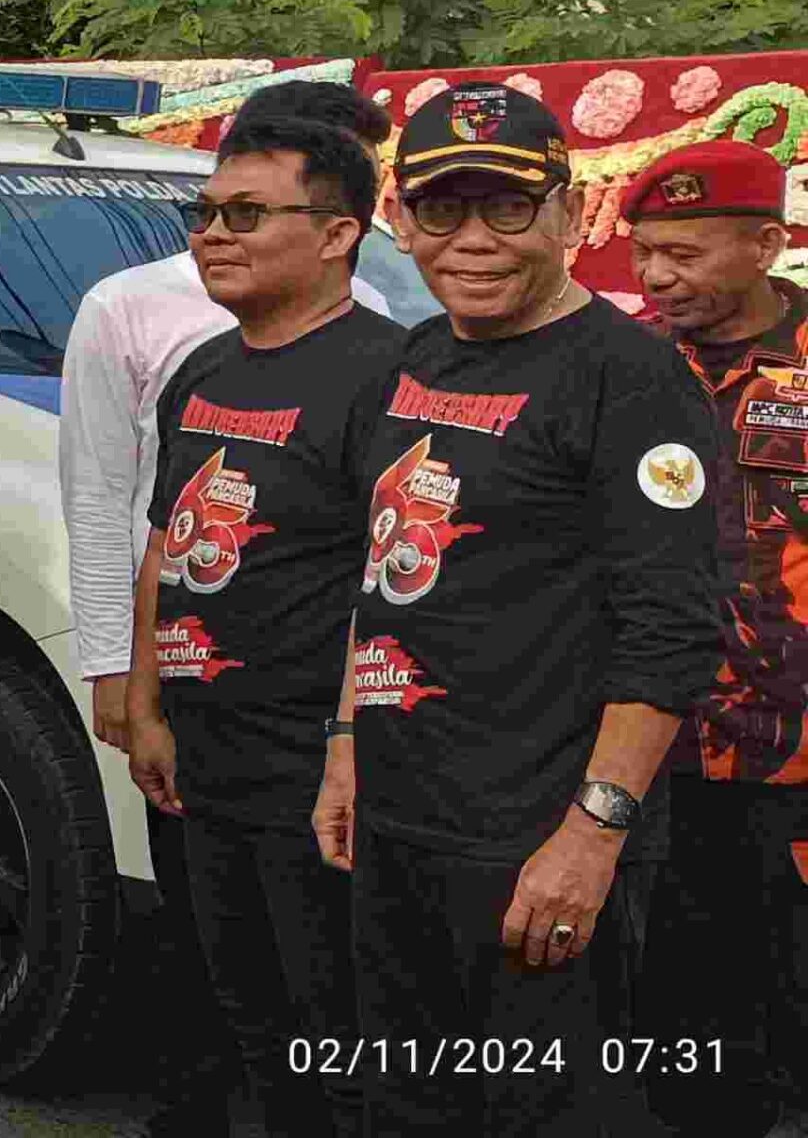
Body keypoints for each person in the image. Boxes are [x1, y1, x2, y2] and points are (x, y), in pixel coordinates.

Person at [310, 80, 722, 1135]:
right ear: (400, 221)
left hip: (534, 840)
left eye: (507, 207)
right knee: (407, 1104)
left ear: (568, 212)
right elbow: (386, 563)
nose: (473, 240)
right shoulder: (415, 359)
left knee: (544, 1112)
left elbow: (670, 628)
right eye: (443, 209)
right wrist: (348, 744)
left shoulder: (630, 380)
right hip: (402, 821)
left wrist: (592, 835)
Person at [59, 79, 393, 1136]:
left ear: (338, 235)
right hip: (203, 751)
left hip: (315, 763)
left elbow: (387, 588)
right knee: (242, 1007)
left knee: (329, 1024)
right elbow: (163, 540)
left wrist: (345, 745)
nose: (211, 235)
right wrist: (146, 703)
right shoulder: (203, 367)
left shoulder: (387, 372)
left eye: (244, 216)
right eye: (203, 215)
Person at [617, 139, 808, 1137]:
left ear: (767, 244)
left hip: (800, 761)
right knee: (687, 1036)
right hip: (664, 757)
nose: (655, 276)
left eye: (683, 252)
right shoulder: (625, 366)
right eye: (646, 250)